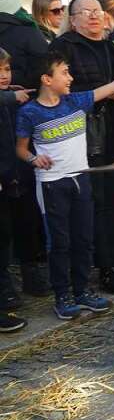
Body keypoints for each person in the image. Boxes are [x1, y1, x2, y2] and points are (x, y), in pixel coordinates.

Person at [16, 52, 114, 319]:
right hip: (52, 186)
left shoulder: (76, 101)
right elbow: (21, 149)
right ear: (46, 79)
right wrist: (33, 158)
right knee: (60, 242)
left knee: (84, 238)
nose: (70, 77)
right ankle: (63, 295)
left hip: (81, 179)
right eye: (64, 72)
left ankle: (82, 289)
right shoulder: (30, 112)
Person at [49, 0, 114, 294]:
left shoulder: (111, 46)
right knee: (98, 203)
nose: (93, 17)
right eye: (85, 12)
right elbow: (60, 93)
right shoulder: (63, 47)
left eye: (97, 11)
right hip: (85, 138)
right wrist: (106, 93)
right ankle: (104, 268)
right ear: (73, 19)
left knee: (113, 201)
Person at [0, 0, 51, 296]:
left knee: (20, 218)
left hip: (16, 159)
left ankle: (23, 277)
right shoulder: (27, 31)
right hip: (10, 163)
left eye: (6, 70)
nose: (5, 74)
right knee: (15, 221)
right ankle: (19, 279)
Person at [0, 48, 33, 331]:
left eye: (6, 70)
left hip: (7, 179)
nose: (3, 76)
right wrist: (10, 96)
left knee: (5, 236)